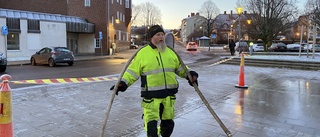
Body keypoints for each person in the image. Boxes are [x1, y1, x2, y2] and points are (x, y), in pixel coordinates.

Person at [110, 24, 199, 137]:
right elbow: (132, 72)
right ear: (151, 38)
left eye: (162, 34)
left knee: (168, 126)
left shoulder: (170, 52)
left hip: (168, 97)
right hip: (151, 98)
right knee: (151, 128)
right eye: (158, 35)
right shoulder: (143, 53)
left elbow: (180, 68)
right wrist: (122, 83)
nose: (161, 37)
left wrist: (190, 74)